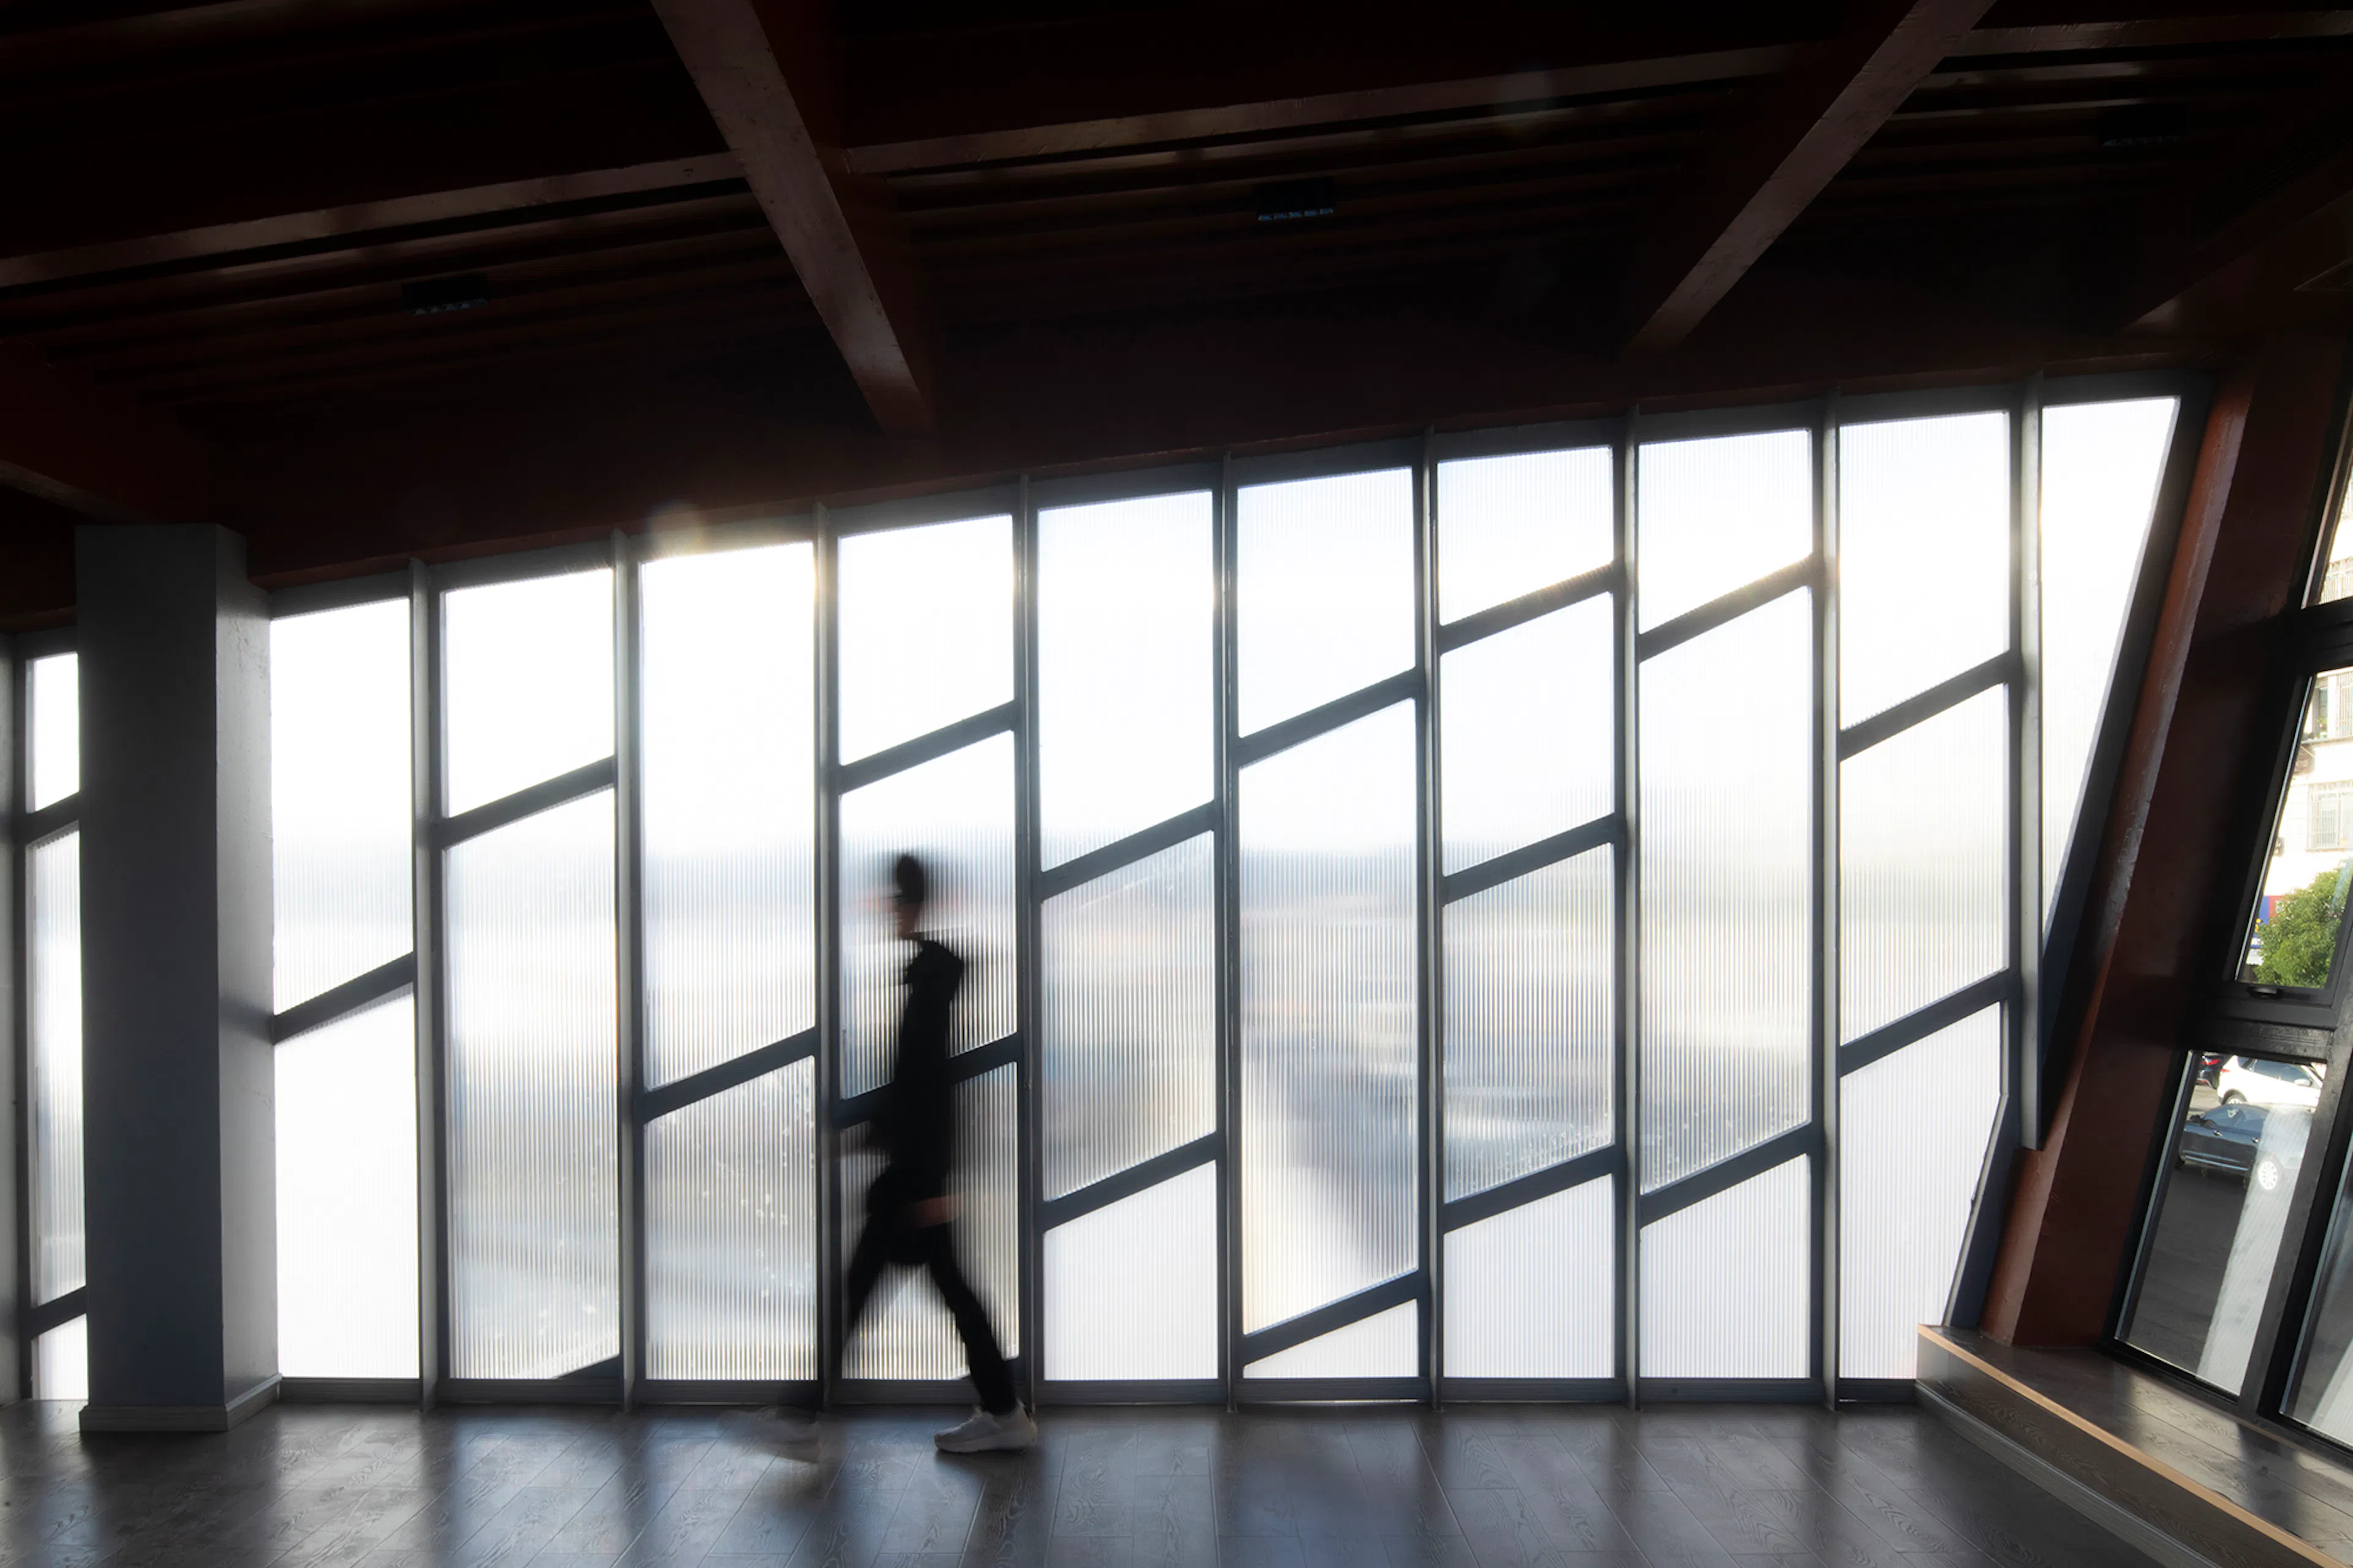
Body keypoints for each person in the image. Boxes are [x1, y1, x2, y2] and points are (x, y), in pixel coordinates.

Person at [841, 852, 1035, 1453]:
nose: (884, 911)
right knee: (933, 1289)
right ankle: (1004, 1411)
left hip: (917, 1177)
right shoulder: (929, 979)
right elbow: (922, 1085)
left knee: (874, 1288)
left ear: (910, 905)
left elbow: (925, 1085)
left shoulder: (926, 990)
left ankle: (808, 1418)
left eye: (893, 901)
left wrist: (929, 1178)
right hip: (920, 1173)